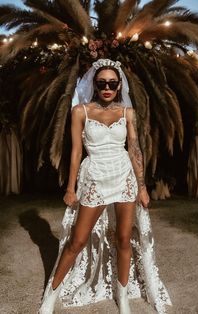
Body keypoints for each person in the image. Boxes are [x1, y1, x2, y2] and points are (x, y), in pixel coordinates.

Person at [39, 59, 172, 314]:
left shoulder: (127, 113)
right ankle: (50, 296)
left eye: (112, 83)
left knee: (123, 239)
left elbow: (134, 150)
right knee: (76, 241)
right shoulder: (81, 111)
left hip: (124, 177)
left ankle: (122, 298)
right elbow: (76, 153)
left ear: (119, 84)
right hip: (95, 177)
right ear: (95, 85)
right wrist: (70, 188)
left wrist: (142, 187)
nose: (107, 87)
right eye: (102, 83)